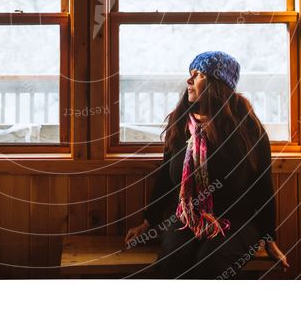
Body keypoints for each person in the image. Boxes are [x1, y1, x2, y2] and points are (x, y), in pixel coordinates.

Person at [124, 50, 290, 279]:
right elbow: (165, 177)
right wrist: (148, 221)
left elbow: (262, 187)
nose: (189, 80)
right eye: (190, 74)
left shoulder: (247, 129)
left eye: (198, 74)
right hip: (187, 218)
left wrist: (269, 237)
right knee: (173, 262)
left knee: (210, 264)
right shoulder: (181, 122)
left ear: (216, 84)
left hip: (237, 221)